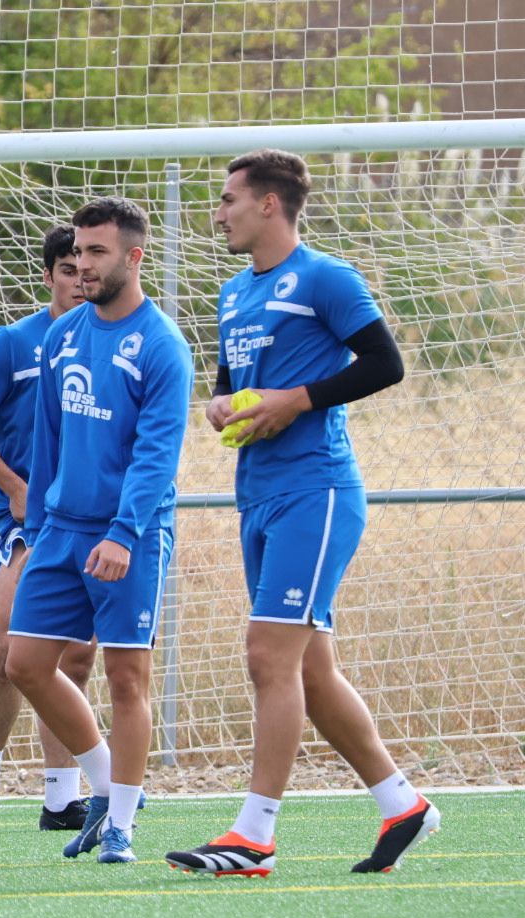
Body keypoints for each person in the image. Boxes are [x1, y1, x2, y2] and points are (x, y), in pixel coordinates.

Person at [166, 149, 436, 877]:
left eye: (227, 199)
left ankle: (254, 837)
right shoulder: (232, 295)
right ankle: (402, 804)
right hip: (259, 494)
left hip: (317, 494)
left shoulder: (325, 277)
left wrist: (300, 399)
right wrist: (222, 405)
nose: (217, 212)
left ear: (269, 205)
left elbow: (385, 363)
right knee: (309, 673)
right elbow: (232, 387)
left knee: (266, 657)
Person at [5, 197, 192, 866]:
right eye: (77, 253)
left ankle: (120, 827)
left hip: (129, 537)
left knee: (125, 678)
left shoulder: (163, 346)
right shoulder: (63, 335)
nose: (81, 265)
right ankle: (114, 788)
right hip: (61, 531)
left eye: (96, 253)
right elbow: (46, 442)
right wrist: (38, 527)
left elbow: (156, 452)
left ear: (133, 257)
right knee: (24, 664)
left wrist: (123, 532)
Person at [0, 224, 96, 833]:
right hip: (28, 524)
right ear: (49, 276)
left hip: (91, 520)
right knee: (13, 647)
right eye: (67, 267)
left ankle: (62, 798)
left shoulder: (110, 339)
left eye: (87, 264)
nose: (78, 277)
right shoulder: (15, 343)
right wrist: (15, 488)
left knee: (77, 659)